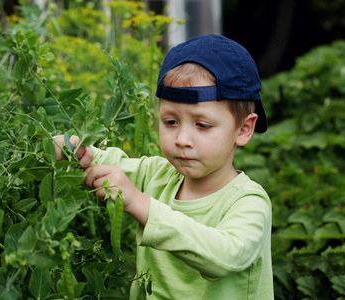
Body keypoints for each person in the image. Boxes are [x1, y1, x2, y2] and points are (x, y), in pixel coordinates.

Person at [55, 34, 273, 299]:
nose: (182, 139)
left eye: (202, 125)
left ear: (244, 129)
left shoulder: (248, 201)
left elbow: (225, 255)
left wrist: (141, 204)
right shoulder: (157, 175)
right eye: (170, 122)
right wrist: (75, 150)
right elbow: (112, 164)